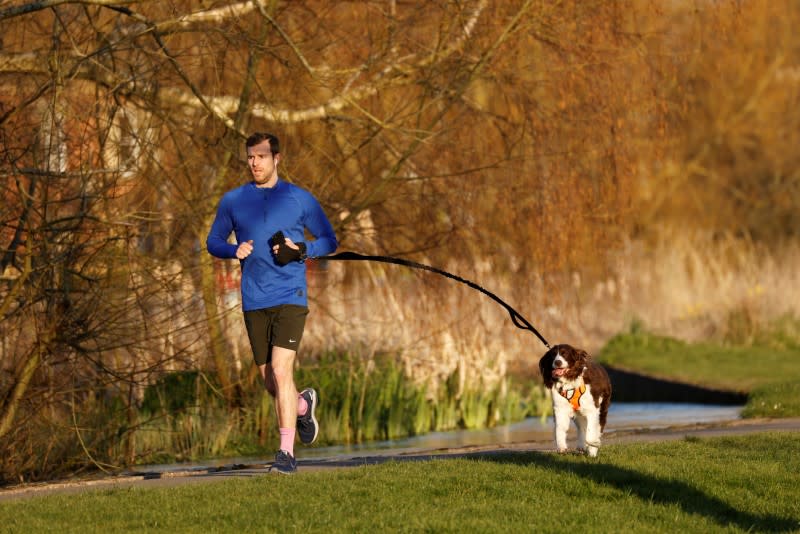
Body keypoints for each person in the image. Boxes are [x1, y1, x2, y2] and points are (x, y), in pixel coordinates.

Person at [206, 132, 338, 474]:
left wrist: (302, 250)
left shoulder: (299, 199)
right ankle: (302, 406)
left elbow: (329, 240)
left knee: (282, 371)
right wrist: (232, 250)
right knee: (271, 382)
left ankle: (286, 455)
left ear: (276, 158)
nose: (254, 163)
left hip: (290, 296)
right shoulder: (233, 201)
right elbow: (213, 240)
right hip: (253, 299)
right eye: (250, 157)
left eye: (261, 157)